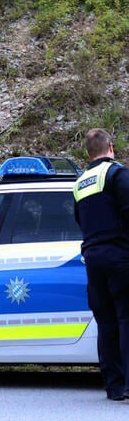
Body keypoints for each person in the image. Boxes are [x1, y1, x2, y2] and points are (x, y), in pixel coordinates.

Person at [73, 128, 129, 401]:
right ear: (111, 147)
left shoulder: (81, 182)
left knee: (106, 323)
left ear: (88, 153)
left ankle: (114, 386)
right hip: (120, 255)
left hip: (93, 259)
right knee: (126, 319)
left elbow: (80, 221)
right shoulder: (117, 174)